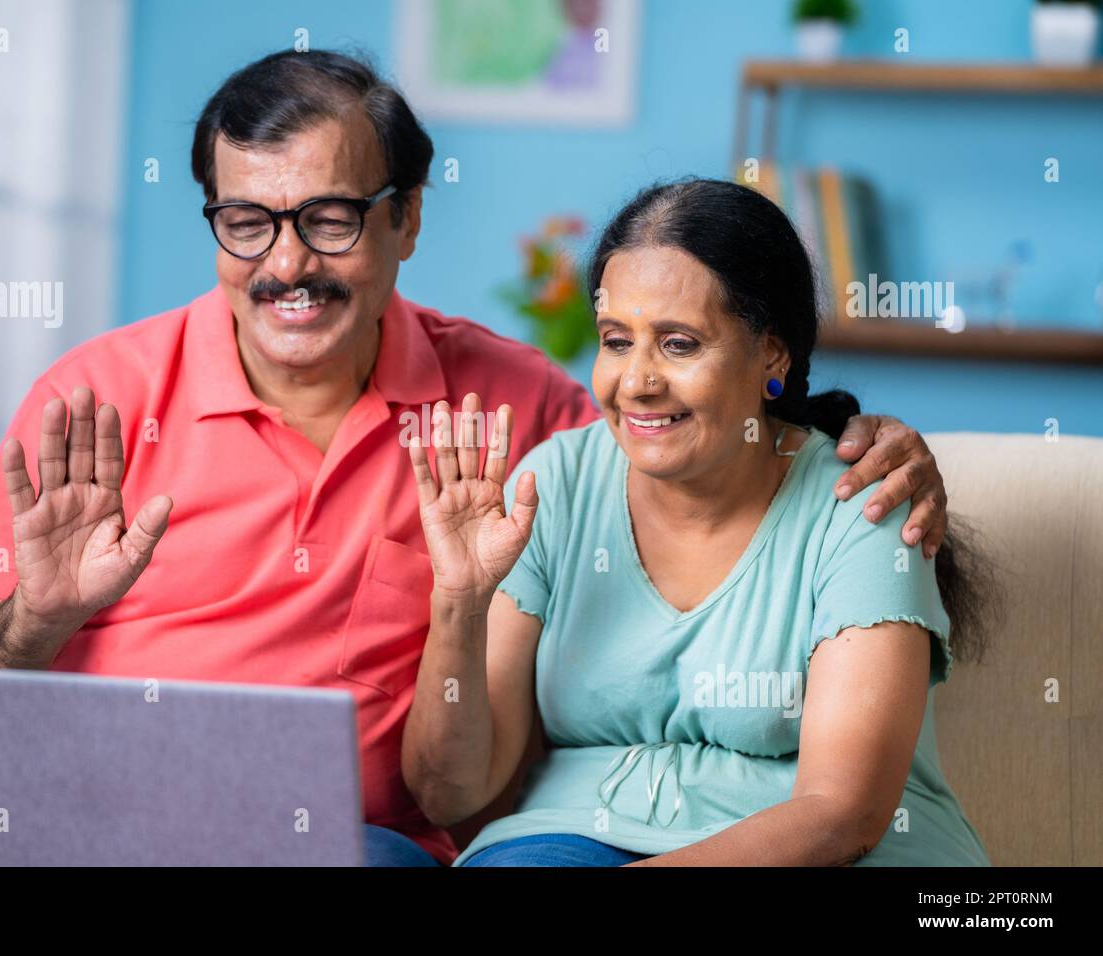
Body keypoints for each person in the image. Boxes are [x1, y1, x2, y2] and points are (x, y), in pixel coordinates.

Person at [0, 52, 953, 868]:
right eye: (246, 221)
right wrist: (35, 616)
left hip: (340, 844)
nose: (286, 264)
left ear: (404, 218)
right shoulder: (96, 401)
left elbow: (709, 446)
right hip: (82, 823)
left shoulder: (522, 410)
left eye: (328, 217)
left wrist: (873, 442)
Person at [401, 178, 991, 867]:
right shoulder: (555, 483)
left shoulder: (864, 504)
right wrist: (461, 604)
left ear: (771, 353)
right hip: (572, 841)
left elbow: (842, 815)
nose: (637, 381)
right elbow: (449, 796)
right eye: (617, 341)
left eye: (679, 345)